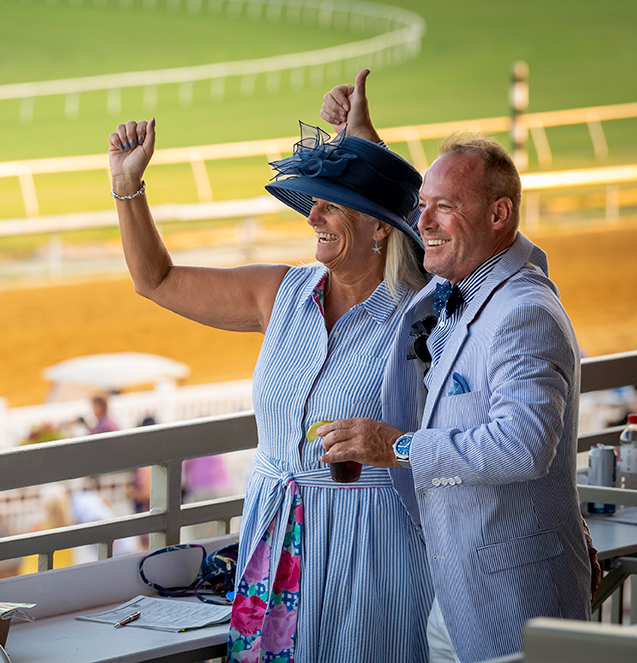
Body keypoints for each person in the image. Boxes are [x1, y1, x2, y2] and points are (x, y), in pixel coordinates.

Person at [108, 110, 433, 661]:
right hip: (274, 530)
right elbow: (155, 280)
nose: (314, 217)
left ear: (382, 227)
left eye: (331, 204)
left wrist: (366, 145)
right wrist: (127, 187)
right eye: (314, 202)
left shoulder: (425, 314)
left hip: (374, 547)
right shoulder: (278, 291)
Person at [317, 70, 592, 663]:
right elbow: (417, 226)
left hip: (516, 610)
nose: (424, 223)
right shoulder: (463, 272)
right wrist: (359, 137)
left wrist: (401, 447)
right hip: (451, 602)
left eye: (445, 207)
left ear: (500, 215)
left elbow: (523, 447)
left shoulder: (525, 313)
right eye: (424, 206)